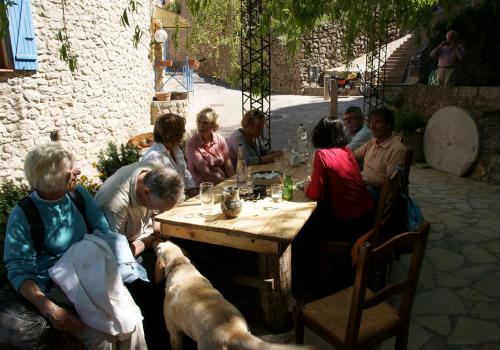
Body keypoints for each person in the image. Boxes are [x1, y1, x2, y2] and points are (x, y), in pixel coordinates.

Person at [2, 143, 146, 349]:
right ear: (50, 179)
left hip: (93, 274)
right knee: (102, 339)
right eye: (69, 170)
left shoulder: (77, 194)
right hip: (58, 288)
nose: (77, 171)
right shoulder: (24, 214)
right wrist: (50, 309)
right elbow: (19, 271)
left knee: (133, 325)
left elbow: (102, 229)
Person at [95, 161, 184, 350]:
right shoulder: (114, 204)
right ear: (146, 192)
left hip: (146, 239)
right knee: (152, 289)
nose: (159, 212)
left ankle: (182, 326)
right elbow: (116, 254)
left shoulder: (153, 174)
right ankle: (161, 339)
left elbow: (157, 218)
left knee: (188, 260)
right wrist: (152, 239)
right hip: (121, 254)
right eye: (159, 208)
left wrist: (158, 228)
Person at [304, 117, 375, 241]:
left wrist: (306, 186)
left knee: (306, 224)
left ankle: (311, 257)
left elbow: (315, 194)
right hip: (367, 216)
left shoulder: (322, 155)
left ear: (320, 134)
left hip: (349, 224)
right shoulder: (347, 152)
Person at [141, 113, 198, 198]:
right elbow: (160, 191)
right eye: (181, 130)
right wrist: (186, 197)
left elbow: (184, 172)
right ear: (173, 134)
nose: (184, 132)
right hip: (164, 204)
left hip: (180, 198)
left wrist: (191, 188)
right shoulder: (154, 157)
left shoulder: (176, 150)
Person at [355, 107, 407, 196]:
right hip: (364, 186)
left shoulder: (397, 149)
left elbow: (389, 182)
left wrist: (359, 180)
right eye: (371, 123)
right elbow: (354, 154)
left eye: (378, 122)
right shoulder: (373, 142)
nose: (372, 126)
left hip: (378, 192)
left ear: (388, 125)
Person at [185, 108, 234, 186]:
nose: (201, 126)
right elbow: (206, 173)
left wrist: (233, 181)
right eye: (199, 122)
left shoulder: (220, 139)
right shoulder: (192, 143)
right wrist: (226, 185)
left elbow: (228, 164)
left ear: (213, 125)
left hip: (220, 181)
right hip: (202, 186)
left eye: (205, 123)